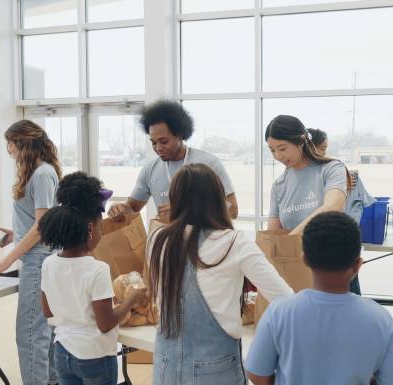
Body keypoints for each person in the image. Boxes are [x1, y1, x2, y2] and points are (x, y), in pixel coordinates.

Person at [148, 163, 292, 385]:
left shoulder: (157, 239)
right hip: (216, 370)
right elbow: (285, 299)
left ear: (175, 199)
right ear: (217, 199)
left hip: (165, 368)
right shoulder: (234, 242)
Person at [245, 212, 393, 385]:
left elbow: (257, 373)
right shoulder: (380, 320)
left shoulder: (279, 312)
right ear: (357, 265)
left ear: (304, 259)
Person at [39, 172, 146, 385]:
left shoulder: (49, 263)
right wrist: (131, 300)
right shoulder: (97, 269)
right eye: (100, 226)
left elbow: (48, 311)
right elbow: (105, 324)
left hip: (61, 352)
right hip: (94, 356)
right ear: (90, 229)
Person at [0, 120, 61, 385]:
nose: (8, 150)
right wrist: (13, 235)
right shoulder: (38, 173)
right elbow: (37, 223)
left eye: (10, 144)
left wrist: (5, 262)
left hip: (39, 259)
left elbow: (42, 226)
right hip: (37, 256)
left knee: (29, 333)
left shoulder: (42, 174)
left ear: (21, 143)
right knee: (43, 331)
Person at [108, 100, 238, 224]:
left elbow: (232, 210)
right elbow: (132, 208)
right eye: (153, 142)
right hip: (168, 244)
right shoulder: (150, 170)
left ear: (180, 135)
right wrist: (120, 209)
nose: (158, 148)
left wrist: (185, 213)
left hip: (204, 245)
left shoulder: (209, 163)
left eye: (164, 141)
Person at [308, 127, 374, 295]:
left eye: (325, 149)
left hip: (342, 236)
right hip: (326, 238)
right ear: (309, 147)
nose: (323, 153)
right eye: (321, 148)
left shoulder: (338, 172)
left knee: (347, 284)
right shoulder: (305, 175)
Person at [266, 115, 348, 235]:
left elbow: (333, 207)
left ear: (301, 141)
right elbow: (272, 235)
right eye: (272, 150)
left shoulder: (332, 168)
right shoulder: (278, 185)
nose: (278, 156)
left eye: (282, 149)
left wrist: (291, 239)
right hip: (293, 253)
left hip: (329, 252)